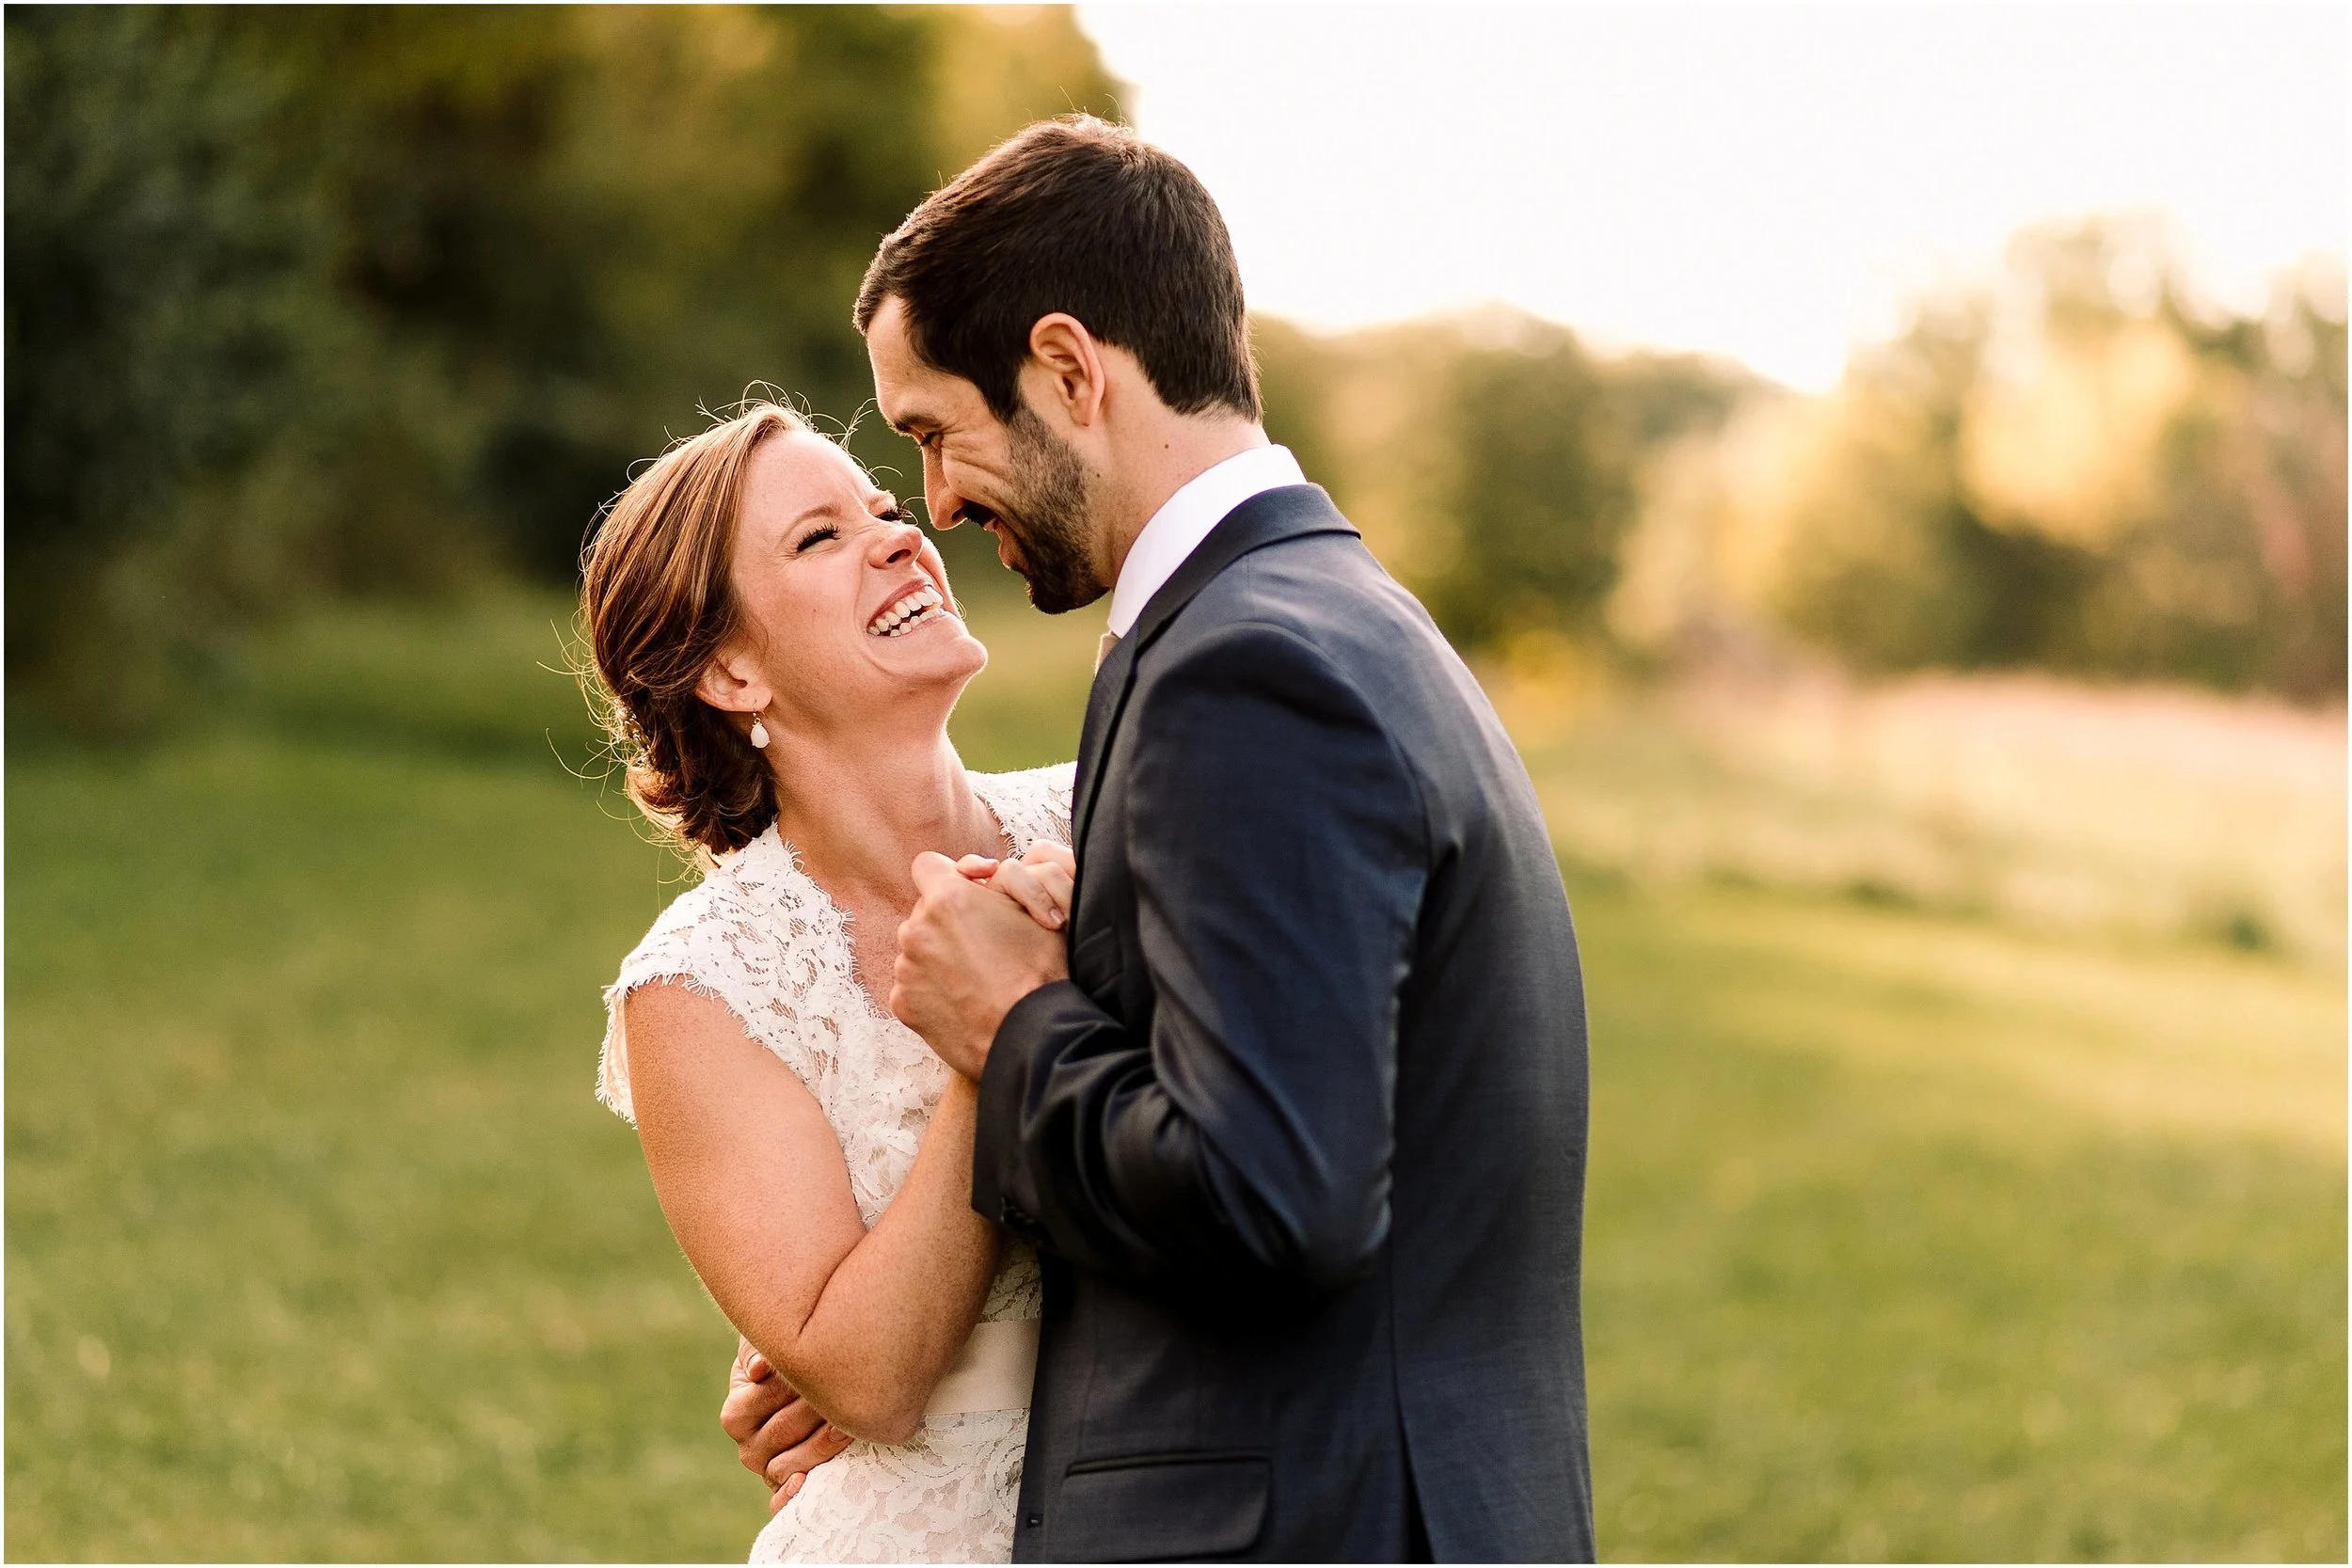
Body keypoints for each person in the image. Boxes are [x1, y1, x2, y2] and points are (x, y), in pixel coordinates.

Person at [728, 117, 1596, 1561]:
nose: (936, 501)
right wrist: (896, 1356)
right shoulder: (1327, 614)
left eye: (939, 432)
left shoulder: (1247, 674)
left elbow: (1269, 1192)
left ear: (1069, 370)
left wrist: (1010, 1023)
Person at [584, 401, 1083, 1561]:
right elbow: (868, 1377)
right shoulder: (704, 986)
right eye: (820, 537)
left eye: (886, 509)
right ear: (729, 669)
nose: (901, 536)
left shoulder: (1106, 810)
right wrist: (990, 1036)